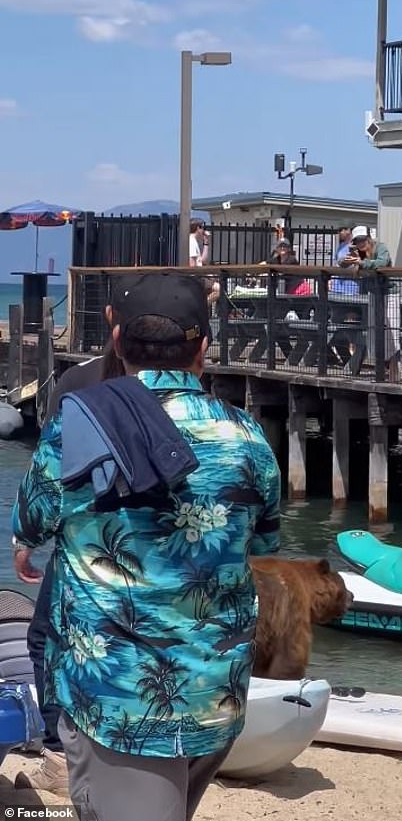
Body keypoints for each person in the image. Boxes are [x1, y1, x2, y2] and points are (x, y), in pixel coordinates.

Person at [12, 273, 281, 821]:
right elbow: (264, 537)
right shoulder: (248, 437)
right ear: (203, 349)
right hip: (214, 691)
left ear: (116, 343)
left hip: (118, 697)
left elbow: (33, 522)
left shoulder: (79, 425)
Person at [13, 281, 131, 796]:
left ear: (110, 320)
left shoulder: (80, 382)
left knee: (49, 641)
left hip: (85, 550)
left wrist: (26, 538)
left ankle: (62, 756)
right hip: (168, 556)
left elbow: (51, 476)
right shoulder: (205, 402)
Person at [340, 225, 401, 379]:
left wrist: (362, 264)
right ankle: (381, 371)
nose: (361, 243)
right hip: (373, 294)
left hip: (389, 293)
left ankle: (395, 373)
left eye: (363, 239)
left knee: (392, 332)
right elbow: (342, 262)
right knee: (375, 332)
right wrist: (349, 262)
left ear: (369, 238)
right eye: (357, 241)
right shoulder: (357, 253)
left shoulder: (381, 247)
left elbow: (382, 262)